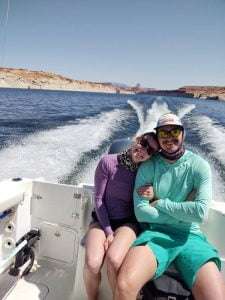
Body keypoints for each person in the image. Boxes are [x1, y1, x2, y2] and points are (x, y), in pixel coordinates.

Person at [115, 113, 225, 300]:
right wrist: (183, 212)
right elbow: (142, 213)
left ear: (183, 134)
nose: (169, 137)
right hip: (156, 235)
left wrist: (160, 203)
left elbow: (199, 213)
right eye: (163, 133)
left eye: (174, 131)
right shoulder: (149, 166)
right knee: (124, 285)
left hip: (191, 236)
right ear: (157, 137)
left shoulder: (199, 166)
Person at [83, 133, 159, 300]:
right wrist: (109, 232)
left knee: (114, 260)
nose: (143, 150)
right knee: (92, 263)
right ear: (137, 140)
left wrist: (152, 194)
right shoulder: (107, 162)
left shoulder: (145, 172)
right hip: (102, 220)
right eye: (144, 143)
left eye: (150, 150)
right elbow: (99, 199)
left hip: (127, 222)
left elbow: (154, 197)